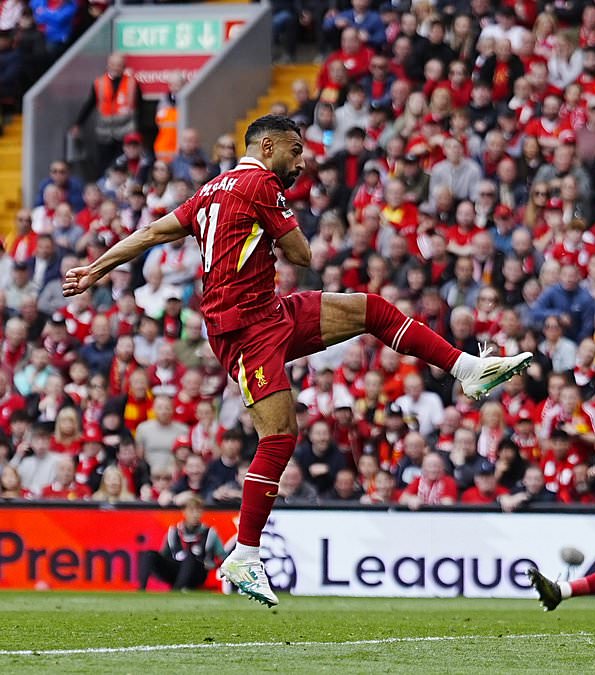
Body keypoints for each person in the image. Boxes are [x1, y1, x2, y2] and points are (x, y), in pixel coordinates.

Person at [62, 114, 533, 608]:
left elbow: (153, 233)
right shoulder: (261, 183)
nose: (301, 162)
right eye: (295, 150)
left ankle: (467, 369)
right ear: (267, 146)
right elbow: (303, 255)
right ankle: (244, 554)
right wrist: (283, 224)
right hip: (244, 331)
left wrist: (95, 269)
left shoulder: (212, 190)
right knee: (281, 436)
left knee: (370, 309)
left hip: (269, 313)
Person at [71, 52, 142, 174]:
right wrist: (78, 123)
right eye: (113, 64)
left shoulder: (132, 83)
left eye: (119, 65)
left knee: (124, 163)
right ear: (108, 65)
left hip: (125, 131)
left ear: (124, 66)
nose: (116, 67)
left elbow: (141, 106)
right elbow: (90, 104)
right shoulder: (99, 83)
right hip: (105, 132)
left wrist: (140, 129)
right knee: (104, 164)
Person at [138, 497, 227, 591]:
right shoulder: (173, 532)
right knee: (149, 555)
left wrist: (212, 564)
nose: (195, 515)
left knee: (190, 557)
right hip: (175, 571)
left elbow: (222, 556)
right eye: (192, 511)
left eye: (198, 511)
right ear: (184, 512)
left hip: (197, 573)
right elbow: (164, 555)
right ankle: (141, 589)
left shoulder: (209, 533)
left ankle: (177, 590)